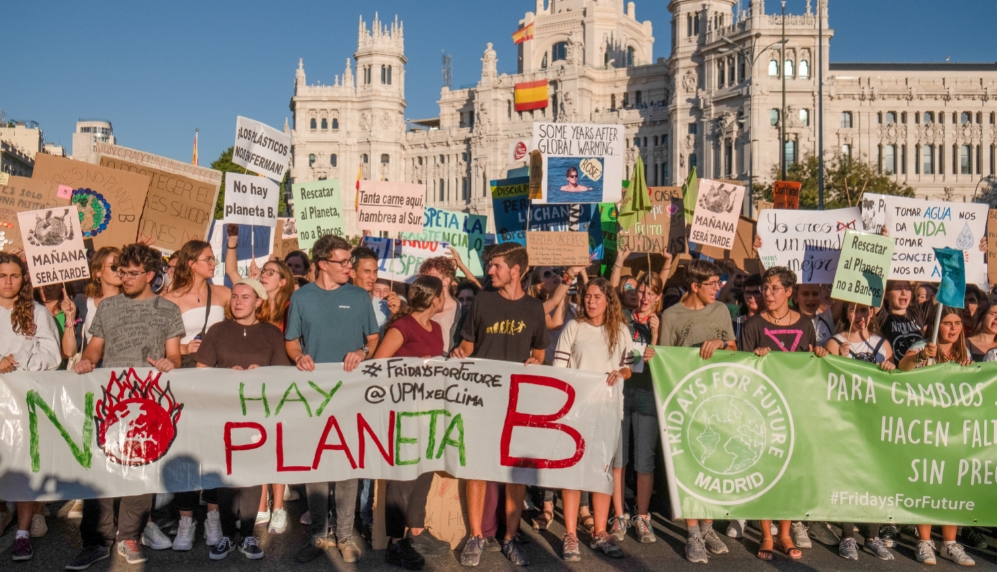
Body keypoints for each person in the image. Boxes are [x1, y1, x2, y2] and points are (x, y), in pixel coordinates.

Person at [70, 243, 184, 568]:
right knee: (102, 471)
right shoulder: (108, 307)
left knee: (140, 470)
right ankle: (96, 541)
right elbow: (95, 347)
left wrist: (170, 363)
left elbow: (174, 355)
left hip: (148, 402)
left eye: (133, 273)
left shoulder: (168, 310)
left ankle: (129, 536)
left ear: (150, 275)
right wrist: (87, 361)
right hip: (111, 400)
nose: (125, 278)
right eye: (122, 272)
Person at [450, 242, 549, 567]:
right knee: (477, 468)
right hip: (481, 399)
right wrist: (459, 353)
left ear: (515, 271)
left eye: (496, 266)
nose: (490, 271)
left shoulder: (534, 308)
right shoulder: (482, 301)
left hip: (517, 403)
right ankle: (476, 536)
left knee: (515, 473)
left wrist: (536, 362)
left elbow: (539, 353)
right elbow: (468, 345)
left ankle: (510, 536)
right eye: (490, 265)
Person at [286, 235, 380, 565]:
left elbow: (373, 338)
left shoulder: (359, 296)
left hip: (351, 394)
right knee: (316, 465)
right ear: (323, 264)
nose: (349, 267)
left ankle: (345, 534)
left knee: (347, 465)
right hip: (314, 394)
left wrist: (362, 352)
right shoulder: (302, 297)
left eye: (349, 261)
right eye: (342, 262)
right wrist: (298, 357)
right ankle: (318, 534)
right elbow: (292, 342)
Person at [194, 278, 290, 560]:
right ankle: (226, 535)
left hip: (258, 413)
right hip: (224, 411)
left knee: (252, 473)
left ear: (258, 302)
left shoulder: (271, 333)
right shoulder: (218, 330)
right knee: (226, 473)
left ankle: (248, 535)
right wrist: (225, 375)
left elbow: (282, 374)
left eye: (245, 297)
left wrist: (263, 372)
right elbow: (201, 369)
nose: (238, 302)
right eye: (234, 297)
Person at [739, 266, 827, 562]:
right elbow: (742, 368)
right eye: (765, 288)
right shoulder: (753, 324)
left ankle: (785, 533)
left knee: (791, 470)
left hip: (796, 406)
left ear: (789, 292)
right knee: (766, 469)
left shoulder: (805, 323)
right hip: (763, 407)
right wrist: (756, 359)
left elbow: (810, 365)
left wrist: (820, 355)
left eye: (775, 288)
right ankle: (766, 533)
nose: (768, 293)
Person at [657, 260, 735, 563]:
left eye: (719, 282)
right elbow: (666, 361)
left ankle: (707, 528)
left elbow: (734, 349)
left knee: (715, 463)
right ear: (694, 286)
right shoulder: (671, 315)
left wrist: (720, 342)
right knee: (690, 466)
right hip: (687, 401)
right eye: (712, 283)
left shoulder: (721, 310)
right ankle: (692, 534)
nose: (718, 288)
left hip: (718, 399)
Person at [372, 276, 453, 569]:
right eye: (443, 294)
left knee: (425, 470)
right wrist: (412, 369)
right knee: (403, 477)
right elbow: (378, 365)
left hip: (429, 411)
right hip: (404, 411)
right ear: (434, 299)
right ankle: (395, 543)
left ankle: (415, 530)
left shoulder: (437, 328)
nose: (445, 298)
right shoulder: (402, 327)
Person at [553, 278, 633, 562]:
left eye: (597, 296)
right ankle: (570, 534)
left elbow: (631, 366)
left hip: (608, 411)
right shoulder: (573, 327)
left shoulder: (620, 330)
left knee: (602, 473)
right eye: (587, 296)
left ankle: (600, 532)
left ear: (608, 300)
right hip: (576, 412)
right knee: (573, 472)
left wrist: (620, 373)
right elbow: (559, 369)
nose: (591, 301)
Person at [159, 240, 230, 550]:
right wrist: (184, 348)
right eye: (208, 259)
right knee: (186, 446)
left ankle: (213, 516)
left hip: (217, 378)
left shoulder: (223, 294)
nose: (213, 263)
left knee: (215, 448)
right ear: (191, 263)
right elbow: (162, 344)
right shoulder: (168, 299)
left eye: (214, 259)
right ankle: (186, 519)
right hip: (186, 377)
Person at [897, 305, 976, 567]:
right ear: (935, 325)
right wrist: (921, 357)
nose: (953, 328)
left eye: (957, 323)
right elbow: (903, 367)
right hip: (925, 425)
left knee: (951, 483)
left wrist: (969, 370)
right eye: (947, 323)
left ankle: (949, 544)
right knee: (927, 481)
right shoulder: (923, 345)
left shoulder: (964, 351)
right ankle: (924, 540)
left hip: (953, 428)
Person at [0, 253, 61, 562]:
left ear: (23, 279)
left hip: (23, 401)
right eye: (2, 275)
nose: (8, 282)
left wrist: (17, 361)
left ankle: (22, 533)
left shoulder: (36, 312)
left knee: (23, 463)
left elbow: (53, 356)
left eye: (14, 275)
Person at [824, 303, 896, 561]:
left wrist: (890, 369)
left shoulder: (882, 344)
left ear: (872, 313)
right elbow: (829, 380)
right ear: (847, 313)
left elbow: (893, 384)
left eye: (864, 311)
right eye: (855, 311)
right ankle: (847, 535)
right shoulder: (835, 342)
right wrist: (841, 359)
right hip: (845, 419)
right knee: (847, 476)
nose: (860, 316)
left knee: (873, 476)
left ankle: (873, 536)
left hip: (874, 419)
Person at [619, 272, 663, 545]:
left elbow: (665, 363)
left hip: (647, 394)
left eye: (650, 293)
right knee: (618, 457)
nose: (644, 297)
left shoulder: (662, 321)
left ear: (658, 297)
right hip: (622, 392)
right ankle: (618, 513)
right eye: (641, 292)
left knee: (644, 459)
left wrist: (655, 335)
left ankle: (642, 515)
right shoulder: (624, 317)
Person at [877, 281, 930, 364]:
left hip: (920, 369)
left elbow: (941, 296)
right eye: (898, 288)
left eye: (907, 288)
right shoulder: (883, 316)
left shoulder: (917, 312)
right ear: (886, 294)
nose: (904, 292)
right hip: (895, 369)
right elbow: (876, 292)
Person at [35, 283, 78, 368]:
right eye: (40, 286)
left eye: (49, 286)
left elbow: (69, 352)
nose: (42, 289)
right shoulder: (31, 312)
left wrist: (70, 317)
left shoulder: (66, 314)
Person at [793, 283, 834, 347]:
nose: (811, 299)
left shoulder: (827, 317)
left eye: (815, 294)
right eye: (805, 294)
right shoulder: (788, 322)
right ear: (795, 297)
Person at [734, 274, 764, 348]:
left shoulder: (772, 323)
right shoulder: (736, 323)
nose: (751, 297)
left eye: (757, 293)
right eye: (748, 292)